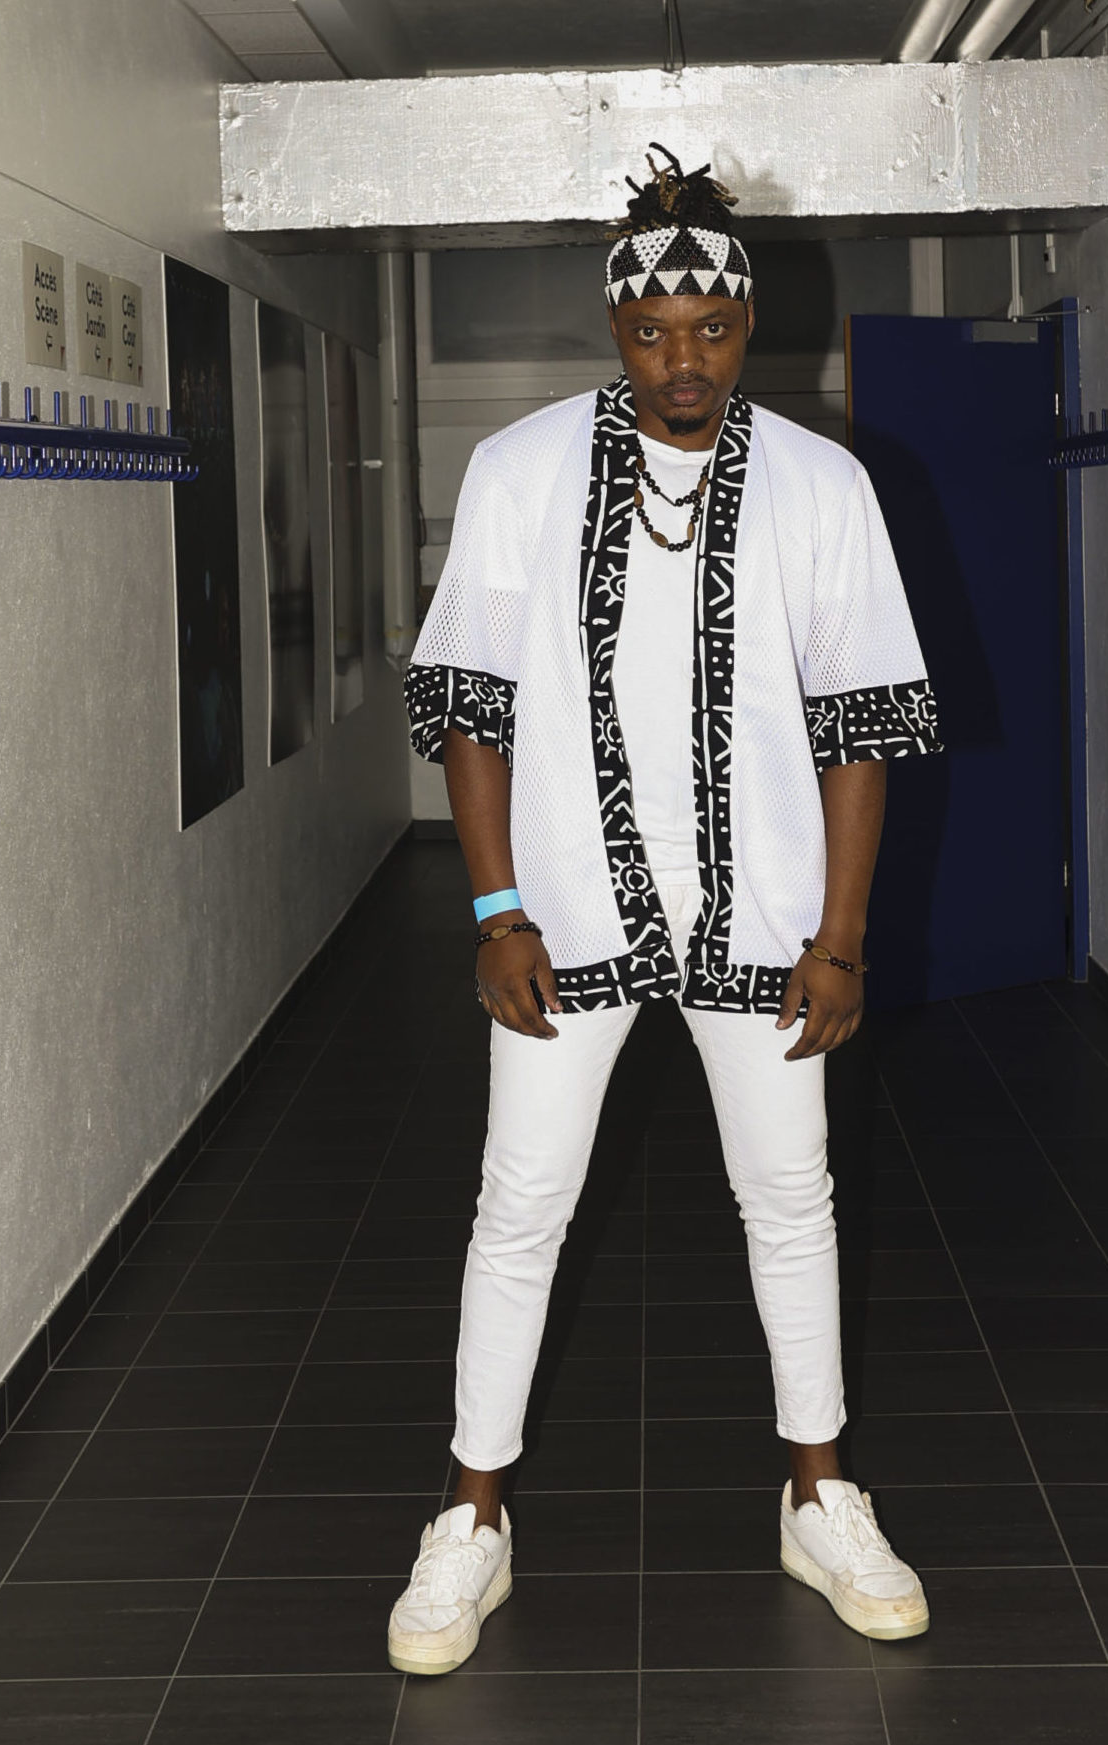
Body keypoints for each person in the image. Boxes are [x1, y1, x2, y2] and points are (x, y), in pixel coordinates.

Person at [390, 145, 941, 1677]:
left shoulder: (826, 488)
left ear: (750, 324)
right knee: (520, 1207)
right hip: (564, 921)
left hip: (765, 930)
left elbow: (862, 727)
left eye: (708, 329)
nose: (680, 359)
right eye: (651, 332)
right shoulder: (519, 471)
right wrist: (496, 908)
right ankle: (471, 1515)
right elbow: (471, 705)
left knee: (793, 1202)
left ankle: (819, 1494)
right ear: (614, 328)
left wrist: (841, 938)